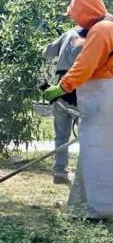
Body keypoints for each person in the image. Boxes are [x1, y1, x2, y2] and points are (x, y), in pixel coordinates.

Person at [43, 0, 113, 219]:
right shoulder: (105, 27)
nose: (72, 17)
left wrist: (60, 88)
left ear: (86, 9)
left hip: (102, 98)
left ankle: (96, 211)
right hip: (101, 97)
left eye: (74, 12)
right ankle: (80, 206)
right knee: (93, 154)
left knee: (96, 155)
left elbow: (84, 65)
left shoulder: (101, 30)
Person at [42, 26, 84, 184]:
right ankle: (83, 175)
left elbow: (46, 53)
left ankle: (59, 172)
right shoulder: (97, 33)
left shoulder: (68, 33)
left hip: (59, 88)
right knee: (86, 133)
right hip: (79, 84)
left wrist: (60, 43)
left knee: (61, 134)